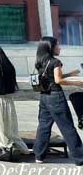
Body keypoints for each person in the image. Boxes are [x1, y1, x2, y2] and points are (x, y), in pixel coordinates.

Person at [32, 36, 83, 165]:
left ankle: (39, 155)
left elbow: (52, 77)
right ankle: (80, 158)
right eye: (57, 45)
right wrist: (78, 83)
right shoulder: (55, 62)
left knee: (43, 126)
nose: (59, 48)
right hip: (56, 98)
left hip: (44, 97)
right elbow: (58, 80)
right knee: (67, 127)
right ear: (50, 47)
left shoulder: (40, 62)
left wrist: (70, 74)